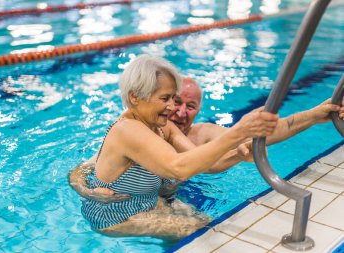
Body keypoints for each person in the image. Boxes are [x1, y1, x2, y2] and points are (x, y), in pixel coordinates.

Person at [72, 54, 279, 240]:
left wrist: (237, 155)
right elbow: (178, 167)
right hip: (113, 216)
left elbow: (203, 163)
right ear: (135, 97)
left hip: (148, 205)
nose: (171, 107)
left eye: (173, 98)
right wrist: (239, 131)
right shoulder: (126, 131)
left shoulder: (162, 127)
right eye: (165, 98)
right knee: (200, 231)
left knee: (209, 224)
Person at [69, 77, 344, 200]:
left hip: (179, 194)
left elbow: (265, 133)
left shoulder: (203, 134)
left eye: (191, 106)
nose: (179, 112)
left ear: (199, 110)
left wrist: (313, 115)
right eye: (173, 102)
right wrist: (87, 191)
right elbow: (85, 167)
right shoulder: (142, 130)